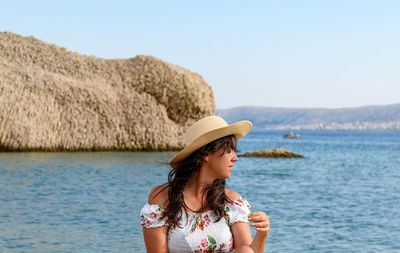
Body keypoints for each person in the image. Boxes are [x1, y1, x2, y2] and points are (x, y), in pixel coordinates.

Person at [140, 115, 270, 252]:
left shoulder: (231, 203)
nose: (235, 158)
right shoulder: (163, 199)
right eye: (228, 150)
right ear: (206, 153)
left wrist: (262, 234)